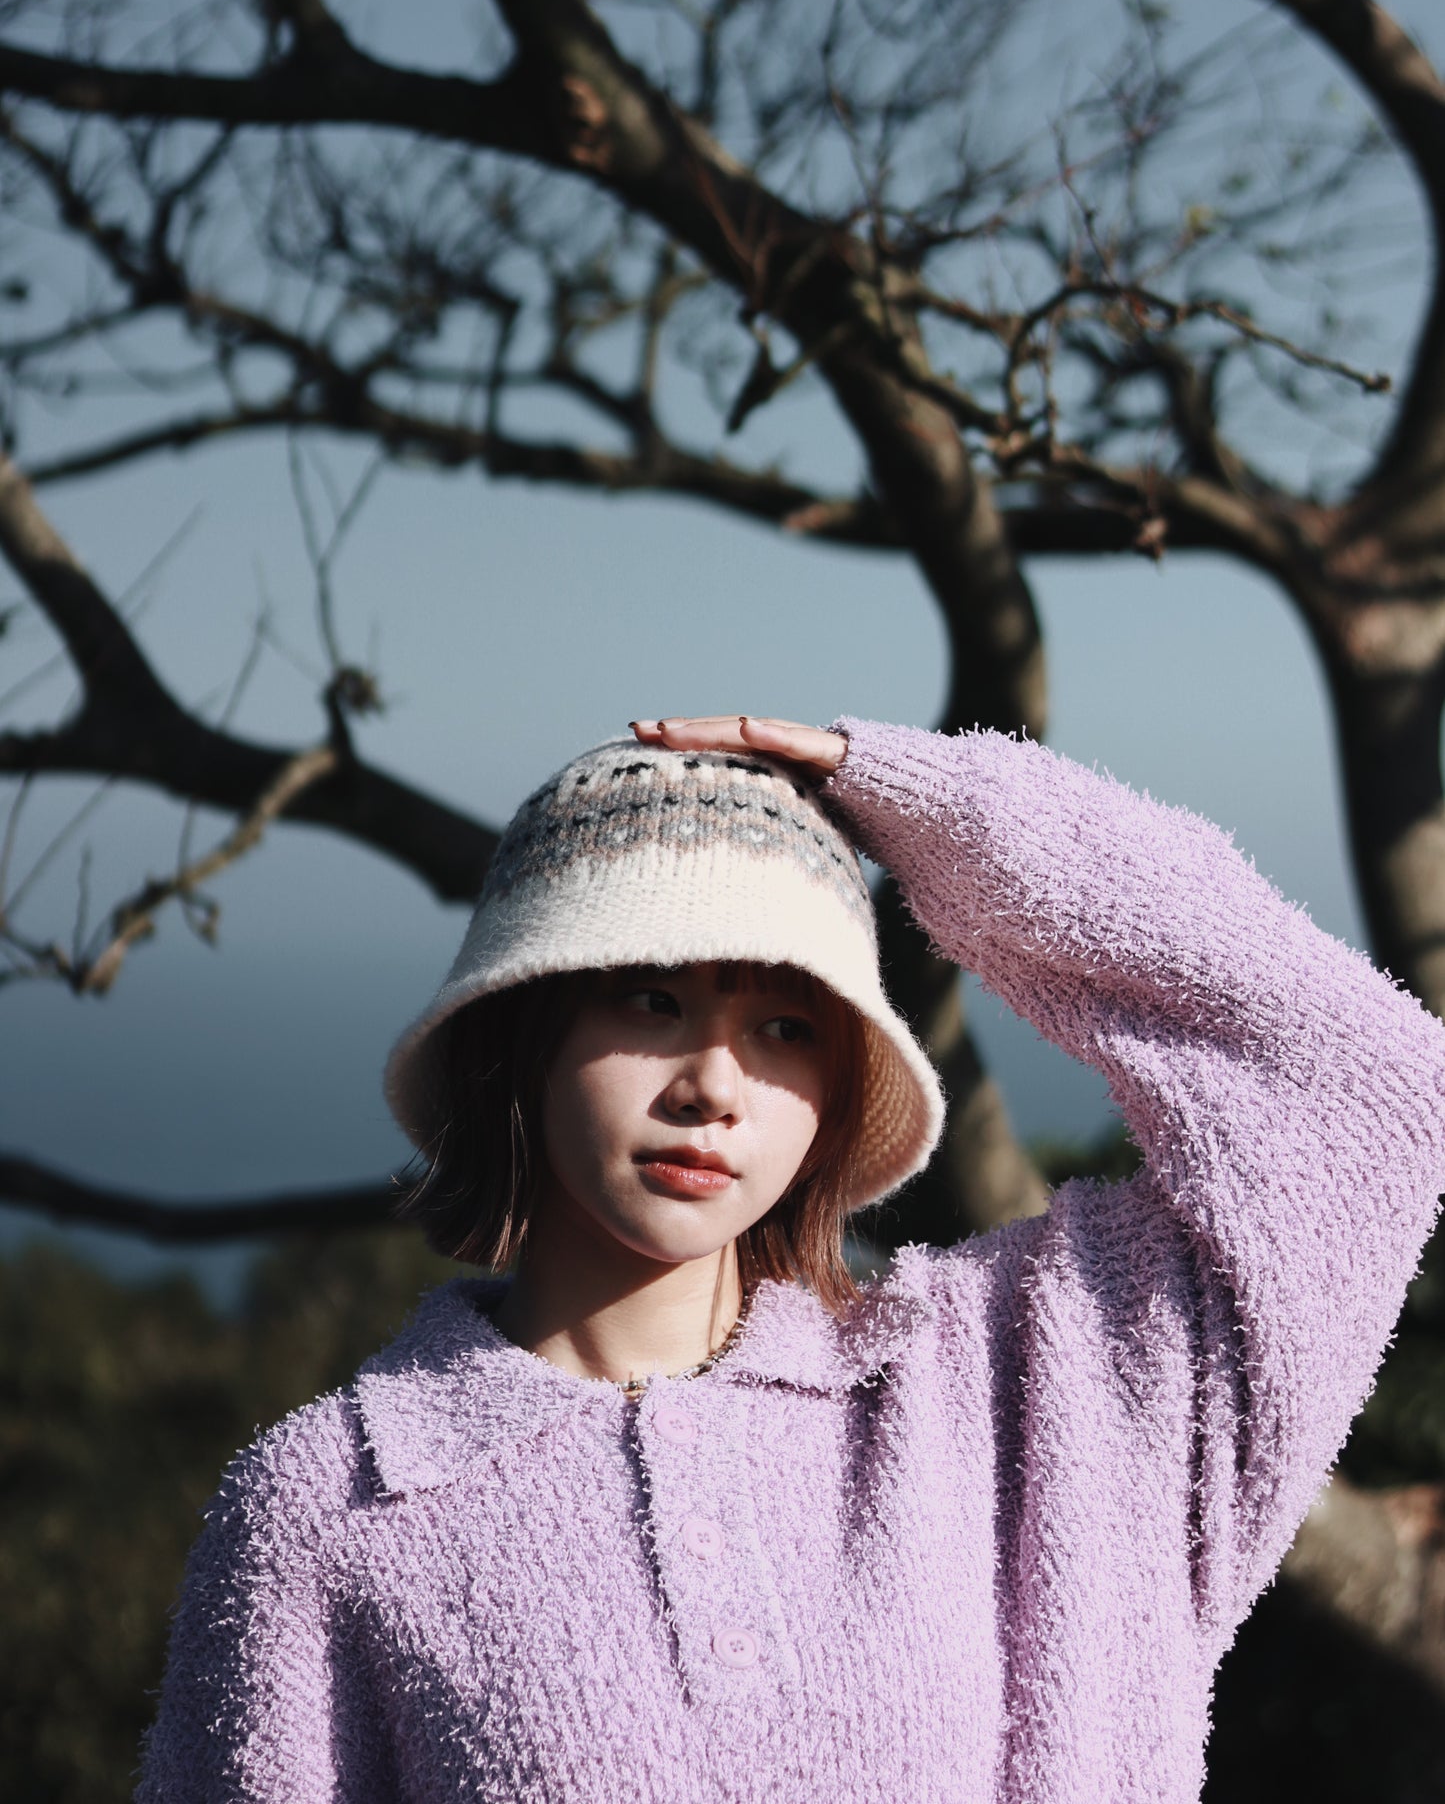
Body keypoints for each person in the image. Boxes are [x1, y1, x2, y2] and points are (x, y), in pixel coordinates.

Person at [135, 712, 1445, 1804]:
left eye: (780, 1025)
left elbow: (1363, 1093)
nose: (713, 1082)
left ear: (835, 1086)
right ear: (518, 1038)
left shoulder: (1007, 1391)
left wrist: (923, 804)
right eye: (649, 998)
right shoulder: (337, 1503)